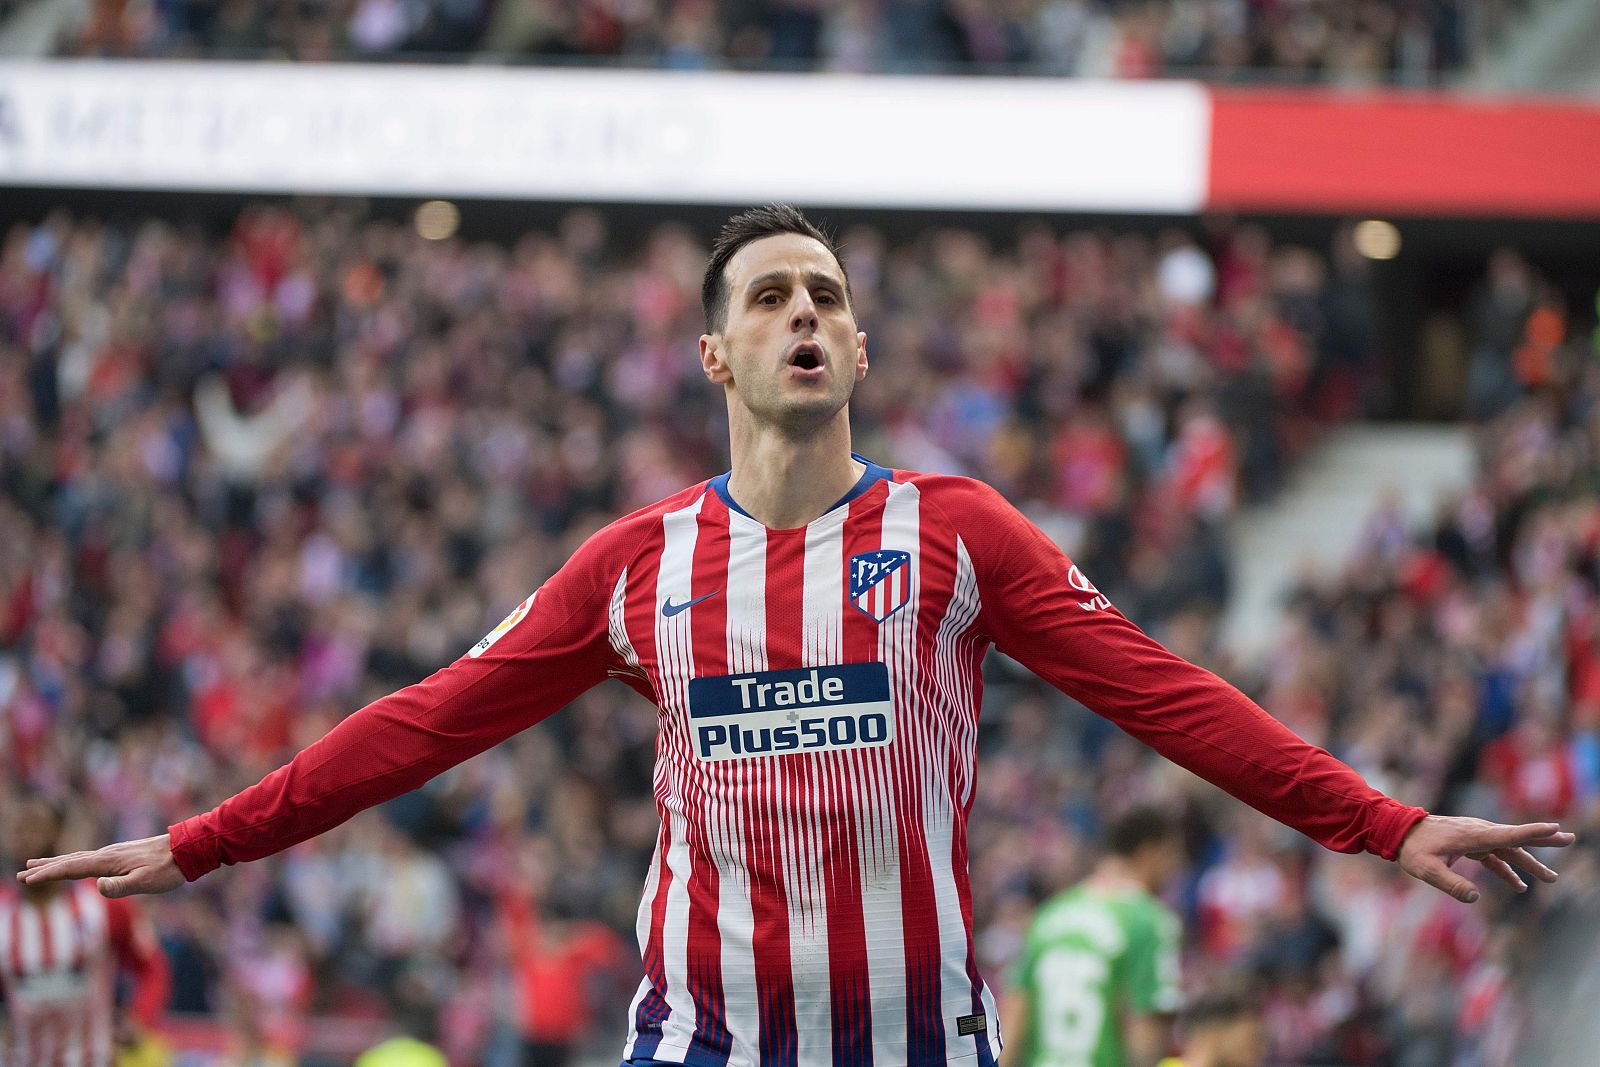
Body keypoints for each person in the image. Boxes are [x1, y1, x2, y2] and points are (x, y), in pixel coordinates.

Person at [18, 204, 1575, 1067]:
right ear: (717, 351)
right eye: (771, 296)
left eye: (827, 293)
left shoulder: (961, 532)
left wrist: (1382, 823)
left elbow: (1167, 696)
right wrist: (208, 841)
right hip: (696, 1043)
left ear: (864, 345)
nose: (805, 313)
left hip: (918, 1042)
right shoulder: (633, 565)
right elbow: (431, 717)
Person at [1000, 807, 1185, 1067]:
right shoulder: (1149, 921)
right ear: (1149, 851)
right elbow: (1146, 1037)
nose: (1175, 868)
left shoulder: (1050, 915)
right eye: (1173, 856)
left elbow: (1014, 1018)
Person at [0, 796, 170, 1067]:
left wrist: (138, 1018)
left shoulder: (103, 903)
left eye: (33, 827)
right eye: (15, 829)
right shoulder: (4, 915)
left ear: (57, 834)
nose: (23, 838)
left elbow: (150, 967)